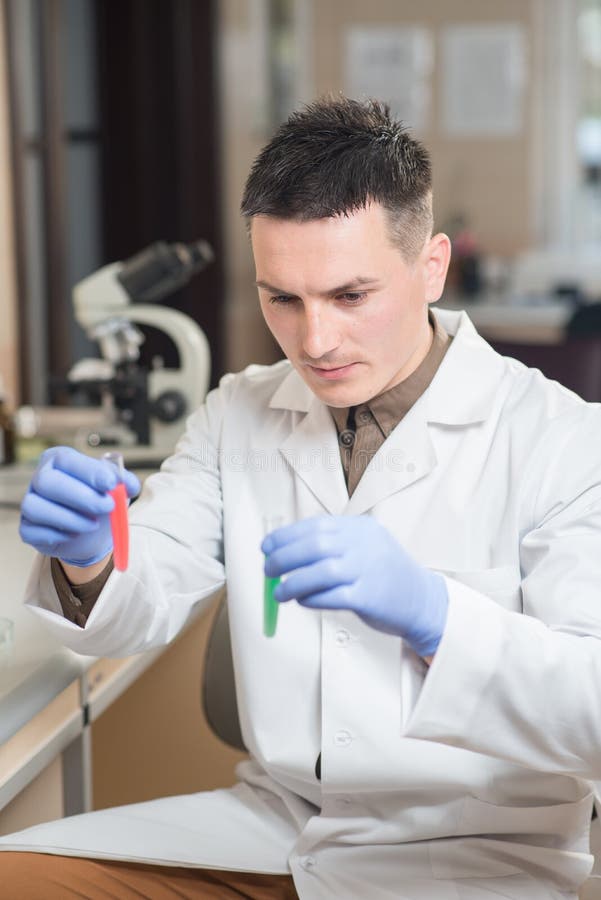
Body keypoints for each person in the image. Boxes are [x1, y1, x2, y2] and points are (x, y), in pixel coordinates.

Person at [1, 95, 601, 900]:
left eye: (350, 296)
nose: (313, 342)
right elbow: (143, 598)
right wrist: (90, 559)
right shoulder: (237, 412)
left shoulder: (562, 438)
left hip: (476, 857)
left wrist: (436, 614)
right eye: (282, 298)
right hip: (276, 829)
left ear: (431, 266)